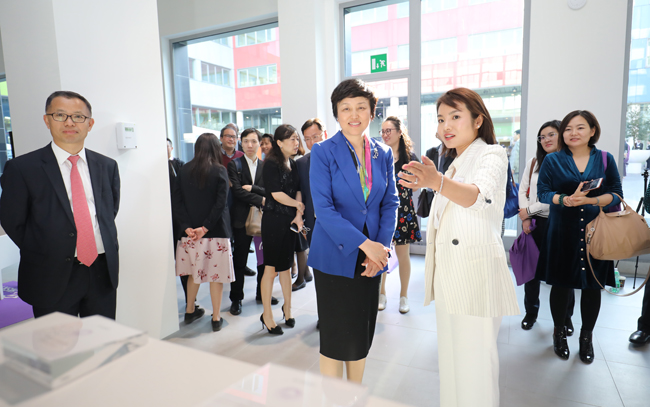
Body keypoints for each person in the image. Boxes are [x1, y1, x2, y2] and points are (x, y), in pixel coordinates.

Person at [399, 87, 519, 406]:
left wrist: (435, 182)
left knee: (475, 370)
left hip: (475, 277)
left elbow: (477, 198)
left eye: (455, 116)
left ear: (478, 120)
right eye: (441, 119)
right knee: (452, 364)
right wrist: (434, 181)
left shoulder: (492, 154)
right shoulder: (453, 163)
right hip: (449, 277)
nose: (446, 125)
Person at [309, 79, 399, 383]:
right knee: (335, 337)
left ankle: (355, 393)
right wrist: (366, 244)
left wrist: (379, 249)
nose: (353, 114)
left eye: (361, 107)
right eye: (345, 108)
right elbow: (324, 210)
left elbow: (390, 203)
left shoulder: (382, 153)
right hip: (335, 256)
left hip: (372, 258)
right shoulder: (323, 151)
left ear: (372, 112)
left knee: (361, 333)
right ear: (336, 113)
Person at [0, 91, 120, 318]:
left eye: (78, 116)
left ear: (90, 124)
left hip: (101, 270)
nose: (69, 122)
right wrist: (44, 249)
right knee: (56, 339)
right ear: (47, 120)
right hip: (50, 273)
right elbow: (12, 220)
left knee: (103, 336)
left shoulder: (107, 166)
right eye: (60, 115)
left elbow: (109, 211)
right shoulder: (23, 168)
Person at [537, 110, 623, 364]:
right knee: (561, 285)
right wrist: (564, 199)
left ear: (592, 131)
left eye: (580, 127)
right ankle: (559, 334)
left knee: (593, 286)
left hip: (596, 231)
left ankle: (586, 338)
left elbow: (616, 193)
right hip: (562, 230)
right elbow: (543, 193)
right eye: (568, 129)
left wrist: (590, 201)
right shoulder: (552, 160)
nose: (573, 133)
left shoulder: (605, 159)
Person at [172, 133, 234, 332]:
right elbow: (220, 203)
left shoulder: (183, 170)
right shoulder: (220, 170)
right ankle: (216, 317)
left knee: (193, 273)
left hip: (190, 234)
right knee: (216, 277)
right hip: (215, 231)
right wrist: (205, 227)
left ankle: (190, 310)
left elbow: (176, 201)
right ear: (216, 148)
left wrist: (186, 226)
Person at [517, 121, 575, 333]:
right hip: (536, 224)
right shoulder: (534, 162)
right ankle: (530, 312)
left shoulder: (570, 163)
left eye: (551, 134)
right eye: (542, 137)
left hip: (560, 223)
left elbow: (557, 197)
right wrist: (525, 218)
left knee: (563, 275)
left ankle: (565, 318)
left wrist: (528, 211)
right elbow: (523, 190)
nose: (546, 139)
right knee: (531, 272)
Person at [260, 124, 303, 335]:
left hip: (289, 221)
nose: (296, 143)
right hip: (273, 221)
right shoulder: (270, 163)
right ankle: (267, 315)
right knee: (271, 270)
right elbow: (276, 194)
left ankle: (288, 309)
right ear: (279, 142)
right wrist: (297, 205)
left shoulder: (292, 163)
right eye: (292, 139)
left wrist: (298, 214)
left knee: (286, 267)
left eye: (297, 138)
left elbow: (298, 190)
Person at [378, 116, 421, 314]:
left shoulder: (410, 158)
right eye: (383, 131)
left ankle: (404, 296)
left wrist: (411, 181)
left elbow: (419, 184)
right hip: (382, 211)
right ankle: (381, 293)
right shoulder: (379, 155)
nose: (385, 134)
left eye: (389, 130)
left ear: (399, 132)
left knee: (403, 255)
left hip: (403, 210)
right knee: (382, 254)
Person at [227, 128, 267, 315]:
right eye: (245, 141)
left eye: (253, 141)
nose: (250, 145)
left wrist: (253, 189)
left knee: (263, 260)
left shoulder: (266, 166)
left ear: (259, 143)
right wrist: (261, 199)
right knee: (240, 261)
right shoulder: (234, 165)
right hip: (241, 220)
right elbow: (237, 192)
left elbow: (270, 191)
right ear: (240, 143)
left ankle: (262, 293)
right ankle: (236, 299)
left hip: (262, 219)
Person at [167, 137, 192, 307]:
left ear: (171, 147)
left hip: (180, 220)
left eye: (166, 146)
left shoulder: (180, 165)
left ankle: (190, 298)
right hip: (163, 219)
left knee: (183, 260)